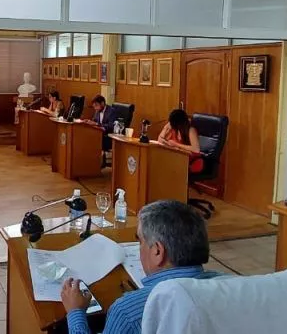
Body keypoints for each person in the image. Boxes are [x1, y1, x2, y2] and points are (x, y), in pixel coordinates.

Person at [61, 200, 217, 334]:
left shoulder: (127, 312)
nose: (139, 248)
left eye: (140, 241)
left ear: (157, 251)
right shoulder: (226, 286)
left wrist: (75, 313)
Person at [157, 109, 204, 173]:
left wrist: (176, 144)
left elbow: (196, 149)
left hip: (192, 162)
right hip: (179, 158)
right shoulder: (174, 128)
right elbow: (160, 139)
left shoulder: (191, 130)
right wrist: (165, 128)